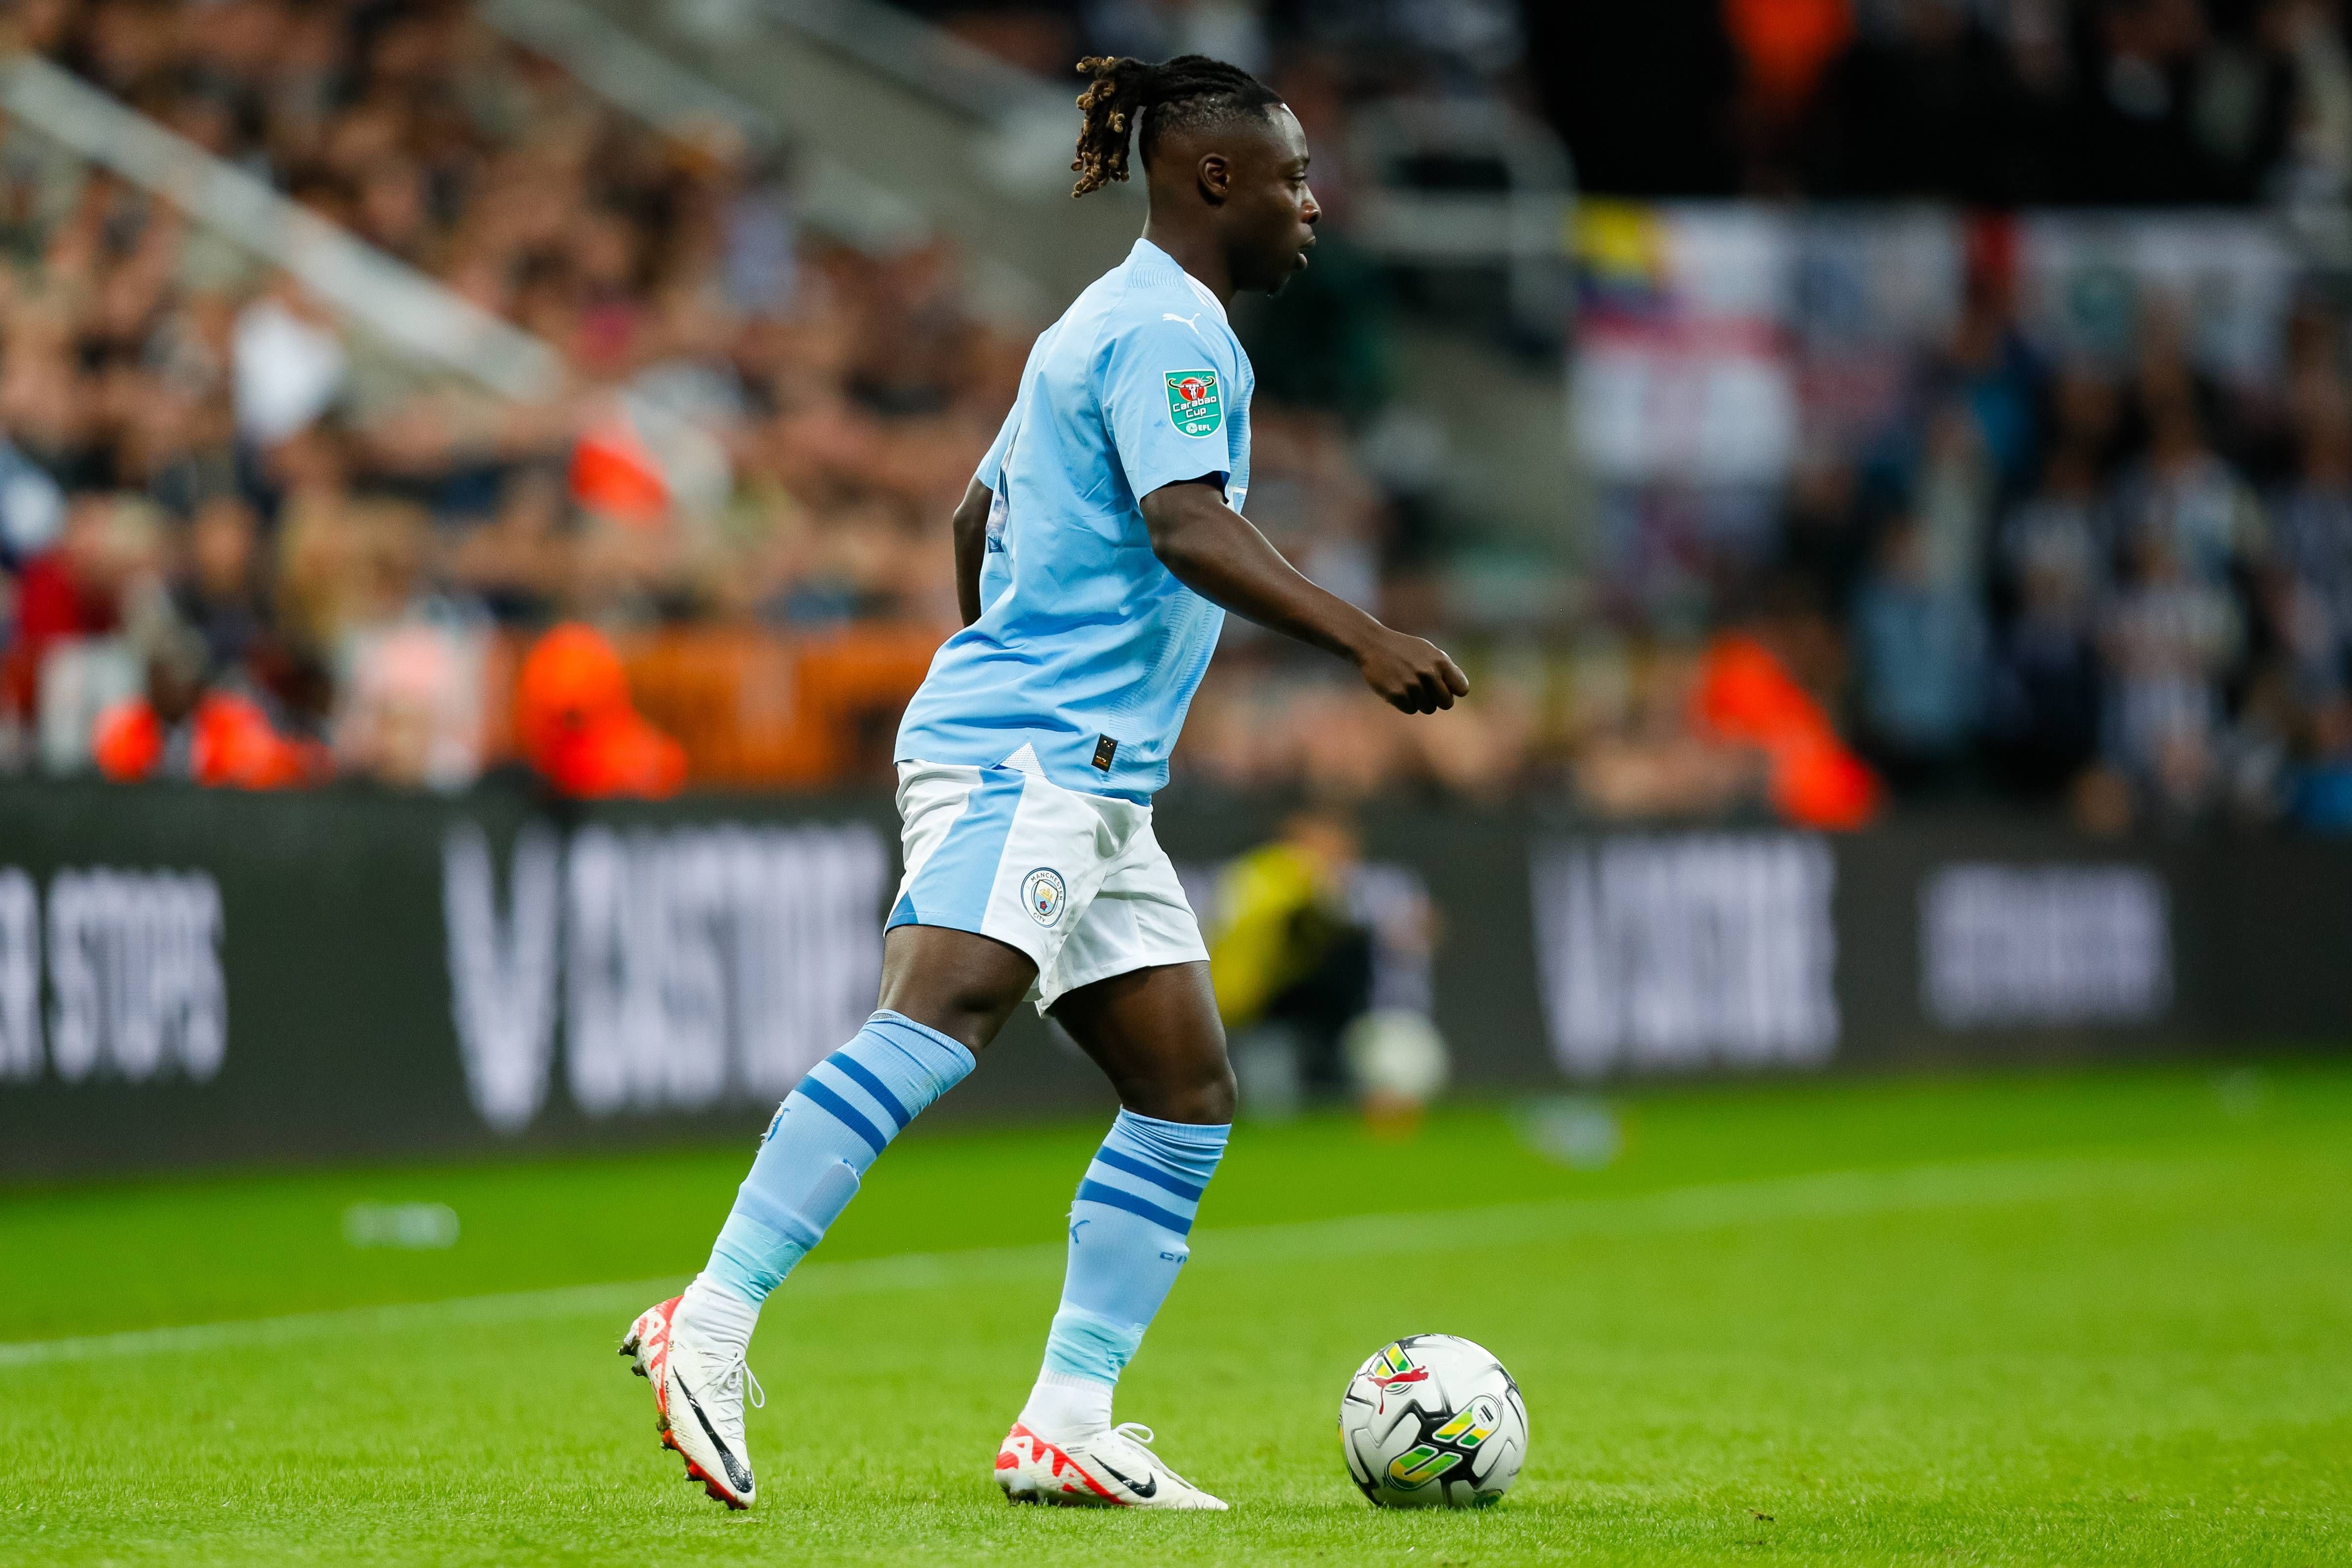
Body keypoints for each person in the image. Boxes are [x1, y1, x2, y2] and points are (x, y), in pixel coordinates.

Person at [619, 53, 1467, 1514]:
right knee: (941, 1012)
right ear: (1214, 177)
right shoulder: (1167, 333)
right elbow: (1189, 526)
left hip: (1078, 768)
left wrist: (1009, 659)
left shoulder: (1101, 321)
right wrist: (1362, 637)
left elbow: (976, 509)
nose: (1313, 205)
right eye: (1294, 176)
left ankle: (1069, 1419)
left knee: (1188, 1087)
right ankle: (711, 1313)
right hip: (1039, 757)